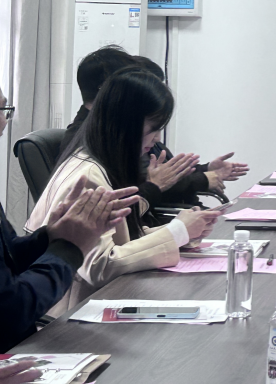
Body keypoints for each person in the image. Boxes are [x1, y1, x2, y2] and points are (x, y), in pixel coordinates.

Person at [26, 68, 223, 313]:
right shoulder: (88, 177)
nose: (157, 138)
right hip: (74, 313)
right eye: (154, 128)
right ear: (127, 125)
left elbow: (122, 238)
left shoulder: (99, 161)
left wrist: (183, 230)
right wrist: (177, 232)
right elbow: (97, 266)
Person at [0, 87, 140, 352]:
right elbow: (10, 311)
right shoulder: (88, 170)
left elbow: (9, 258)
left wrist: (50, 237)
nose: (4, 124)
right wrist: (69, 249)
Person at [62, 47, 248, 213]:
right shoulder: (90, 144)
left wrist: (204, 169)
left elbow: (162, 173)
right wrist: (202, 179)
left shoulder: (123, 134)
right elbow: (123, 214)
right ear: (109, 89)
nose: (157, 138)